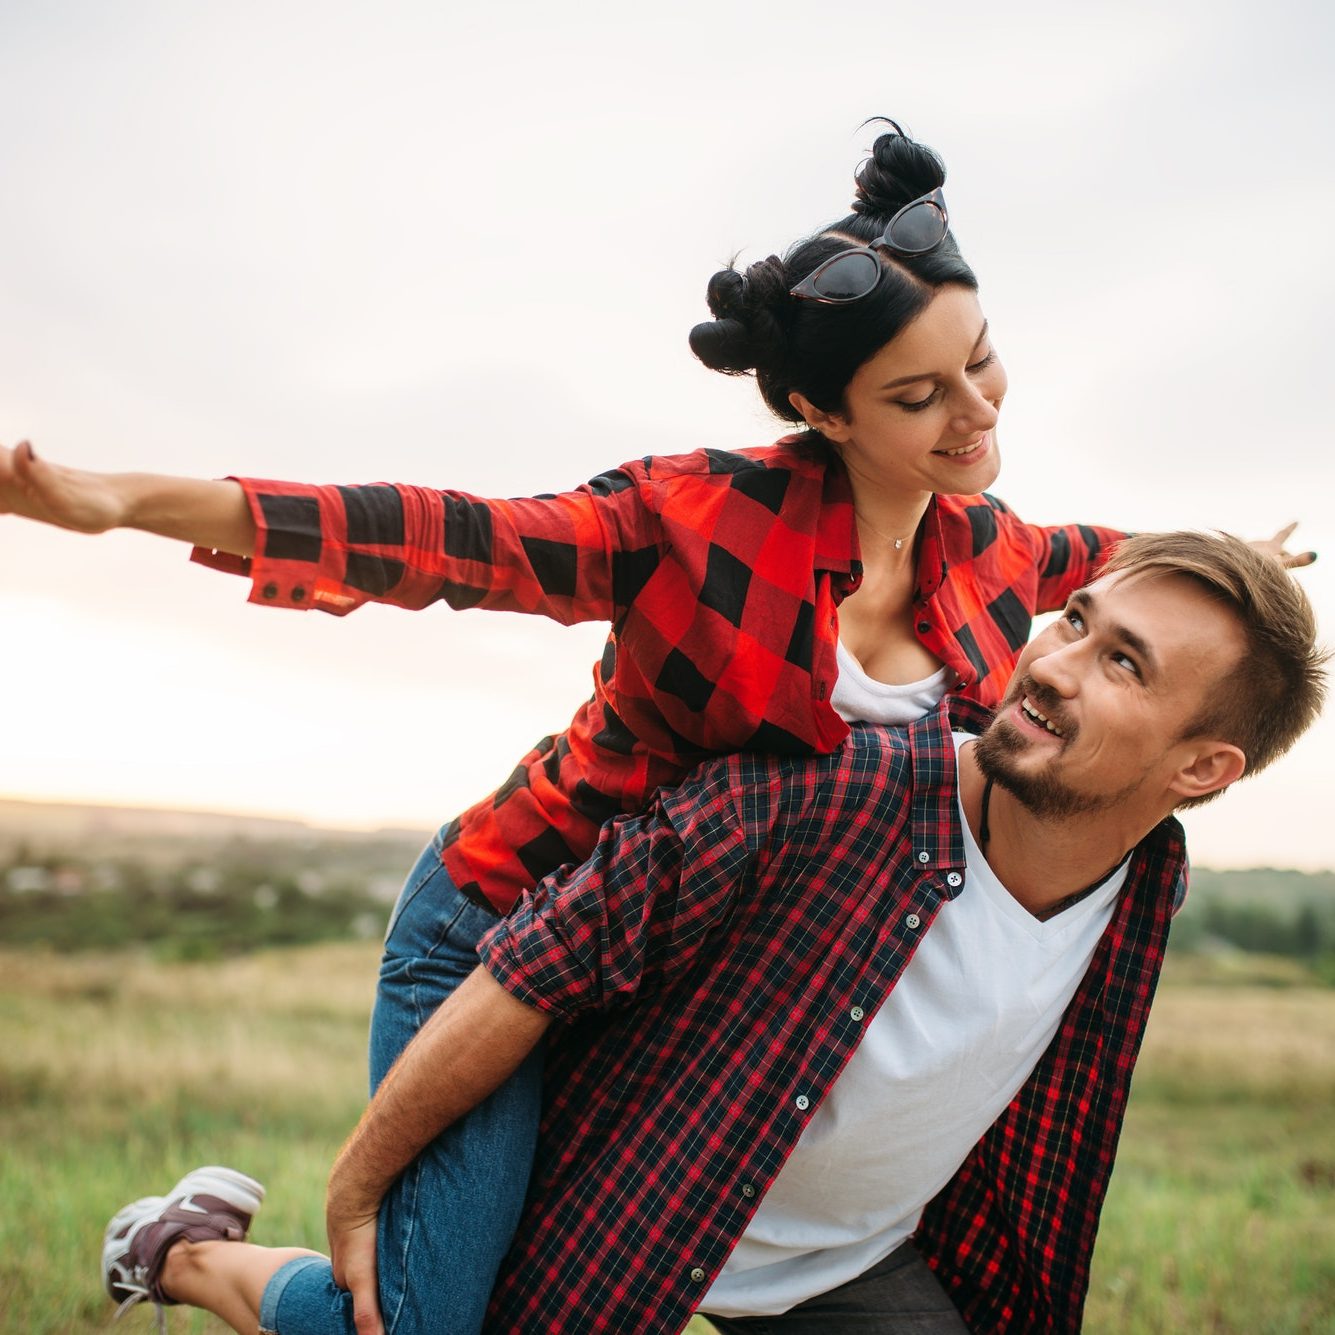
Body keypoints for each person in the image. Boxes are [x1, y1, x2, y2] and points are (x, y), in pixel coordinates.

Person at [0, 123, 1309, 1331]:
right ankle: (179, 1248)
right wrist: (129, 502)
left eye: (977, 361)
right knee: (422, 1313)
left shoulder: (993, 552)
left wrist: (1237, 561)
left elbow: (1127, 567)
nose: (975, 414)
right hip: (512, 921)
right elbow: (442, 534)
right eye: (919, 396)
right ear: (823, 410)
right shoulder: (688, 522)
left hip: (690, 961)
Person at [98, 531, 1326, 1334]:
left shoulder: (1146, 881)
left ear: (1205, 768)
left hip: (847, 1261)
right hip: (639, 1209)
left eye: (1123, 664)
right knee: (411, 1328)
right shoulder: (812, 794)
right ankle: (188, 1255)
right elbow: (522, 979)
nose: (1053, 664)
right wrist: (360, 1183)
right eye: (1072, 620)